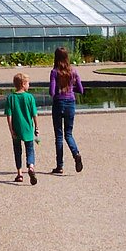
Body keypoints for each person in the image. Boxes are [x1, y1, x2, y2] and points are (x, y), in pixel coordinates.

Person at [47, 45, 84, 174]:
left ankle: (60, 165)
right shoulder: (73, 71)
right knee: (69, 133)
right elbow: (81, 90)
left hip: (58, 103)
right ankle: (76, 153)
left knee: (58, 135)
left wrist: (59, 90)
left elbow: (52, 92)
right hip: (70, 103)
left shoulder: (54, 72)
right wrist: (70, 89)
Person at [4, 71, 39, 184]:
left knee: (17, 150)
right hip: (28, 128)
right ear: (23, 84)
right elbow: (34, 114)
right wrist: (37, 127)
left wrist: (11, 129)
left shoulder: (11, 98)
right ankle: (31, 167)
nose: (29, 85)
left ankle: (19, 173)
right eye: (28, 83)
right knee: (30, 149)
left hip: (16, 127)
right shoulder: (29, 97)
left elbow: (9, 115)